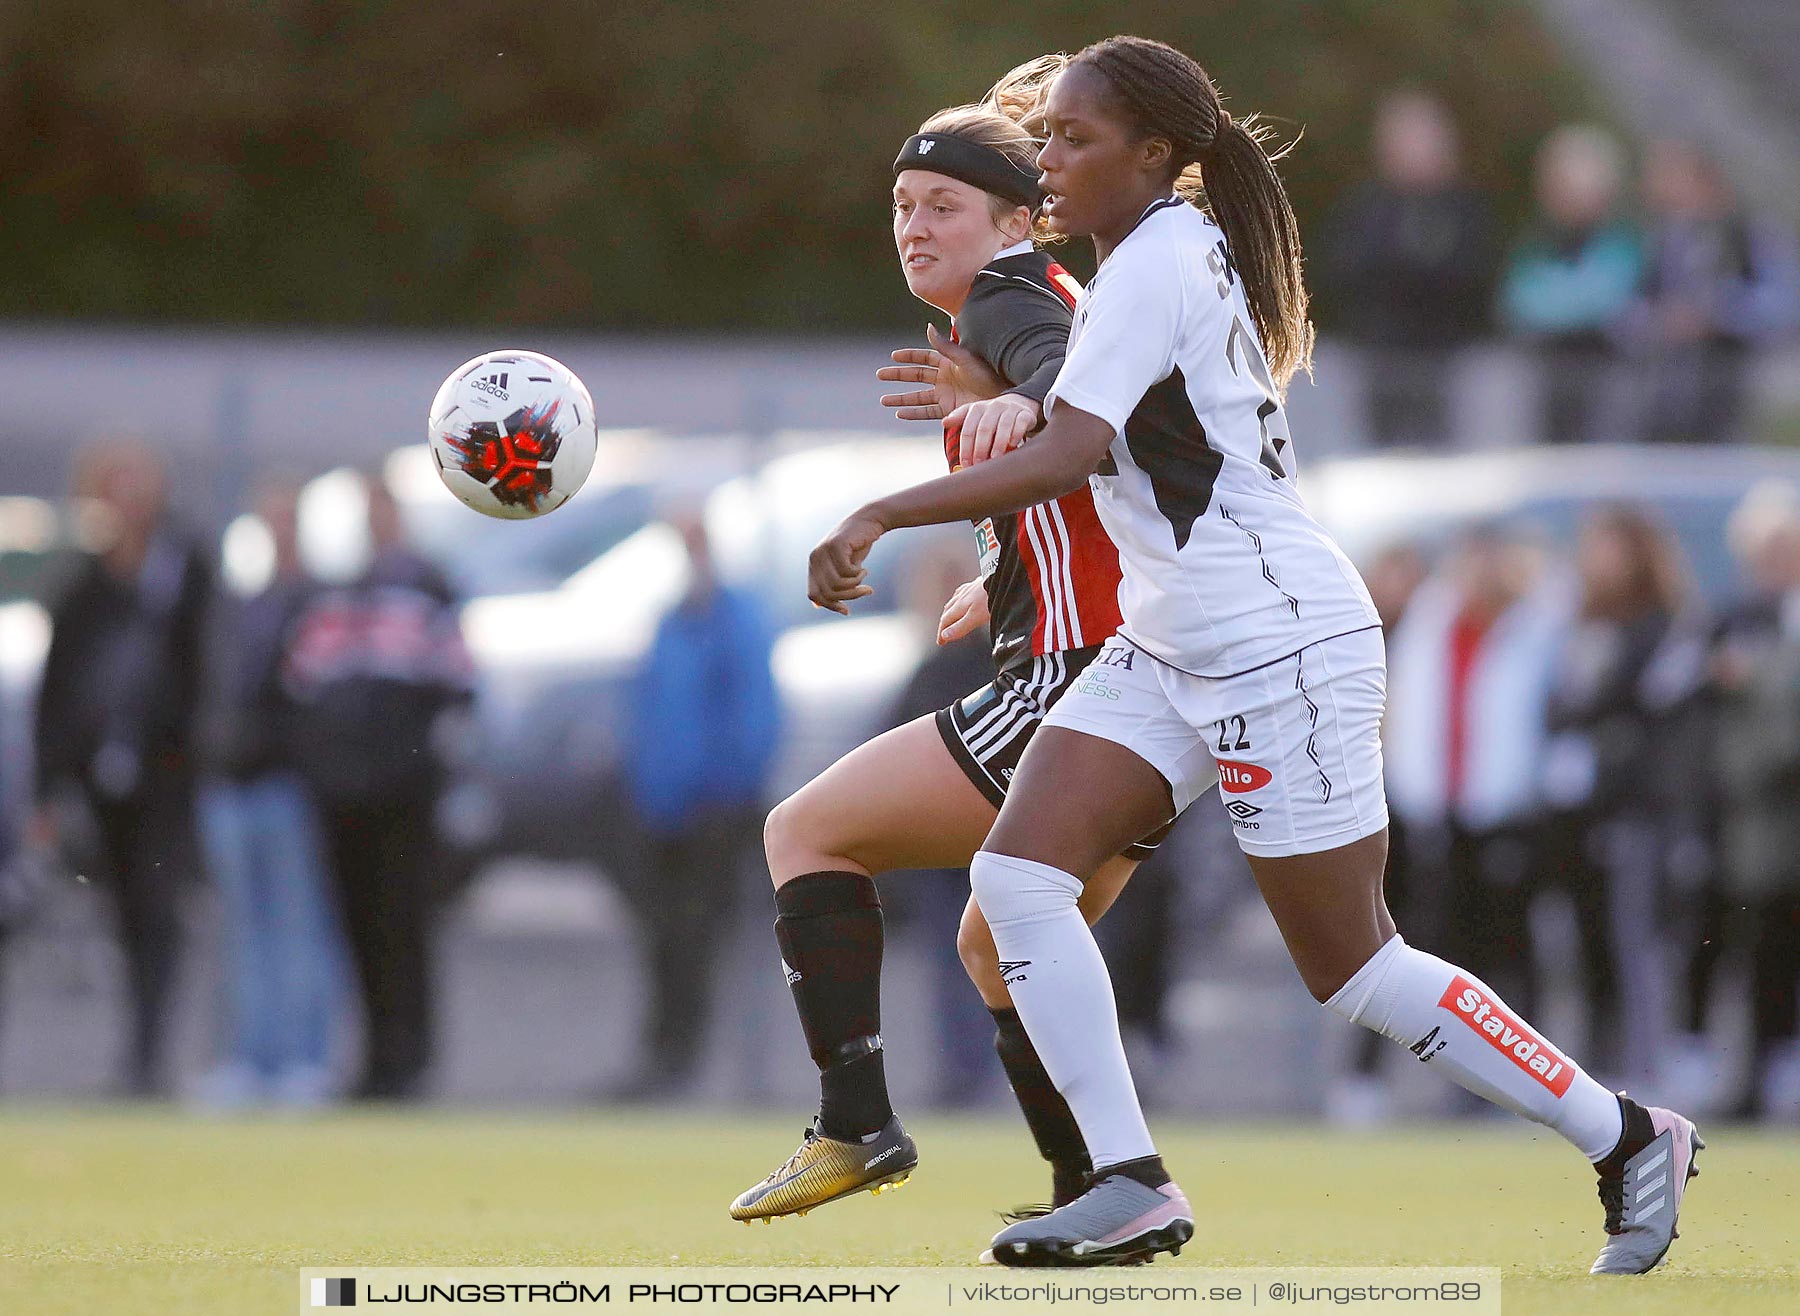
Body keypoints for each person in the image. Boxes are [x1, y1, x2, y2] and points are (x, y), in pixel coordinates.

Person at [808, 36, 1700, 1273]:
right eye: (1048, 136)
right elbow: (1102, 446)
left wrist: (878, 514)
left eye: (1075, 138)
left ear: (1157, 154)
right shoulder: (1146, 256)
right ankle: (1127, 1180)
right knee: (1014, 882)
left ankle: (1627, 1130)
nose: (1050, 159)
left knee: (1356, 968)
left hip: (1280, 643)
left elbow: (1071, 449)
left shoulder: (1153, 265)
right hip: (1173, 637)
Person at [730, 61, 1185, 1224]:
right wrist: (1007, 575)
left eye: (944, 205)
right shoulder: (1042, 296)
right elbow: (1111, 466)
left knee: (807, 829)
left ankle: (854, 1124)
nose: (916, 225)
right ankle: (1098, 1186)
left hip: (1076, 687)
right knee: (999, 947)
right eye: (902, 205)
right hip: (1141, 689)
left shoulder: (1009, 296)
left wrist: (1019, 404)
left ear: (1017, 219)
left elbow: (1062, 394)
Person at [284, 473, 471, 1100]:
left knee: (402, 924)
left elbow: (457, 688)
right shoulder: (342, 593)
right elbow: (305, 684)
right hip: (344, 794)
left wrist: (428, 771)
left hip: (402, 796)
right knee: (358, 926)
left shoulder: (427, 586)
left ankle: (409, 1058)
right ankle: (374, 1056)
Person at [33, 439, 211, 1096]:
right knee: (120, 917)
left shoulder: (180, 572)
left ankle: (150, 1053)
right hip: (97, 781)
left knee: (160, 910)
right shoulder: (84, 584)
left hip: (164, 779)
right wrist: (48, 788)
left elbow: (202, 673)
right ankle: (132, 1056)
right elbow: (59, 693)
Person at [619, 506, 780, 1099]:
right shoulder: (672, 622)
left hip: (715, 810)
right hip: (664, 809)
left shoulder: (734, 619)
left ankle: (690, 1062)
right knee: (664, 937)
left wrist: (731, 789)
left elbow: (753, 716)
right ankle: (663, 1054)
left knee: (700, 936)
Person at [194, 478, 343, 1108]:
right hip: (231, 783)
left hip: (289, 784)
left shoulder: (319, 603)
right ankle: (251, 1059)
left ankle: (305, 1060)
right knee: (244, 932)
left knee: (299, 927)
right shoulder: (242, 604)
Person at [1318, 90, 1495, 447]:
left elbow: (1475, 279)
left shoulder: (1464, 211)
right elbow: (1341, 276)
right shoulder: (1364, 210)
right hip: (1377, 362)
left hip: (1449, 365)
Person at [1625, 141, 1800, 444]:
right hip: (1666, 395)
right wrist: (1661, 322)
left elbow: (1784, 306)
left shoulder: (1750, 236)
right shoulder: (1661, 240)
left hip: (1736, 388)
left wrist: (1718, 315)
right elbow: (1628, 308)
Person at [1498, 126, 1642, 444]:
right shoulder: (1537, 242)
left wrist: (1561, 298)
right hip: (1549, 375)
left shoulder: (1622, 242)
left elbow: (1608, 299)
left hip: (1608, 376)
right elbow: (1520, 302)